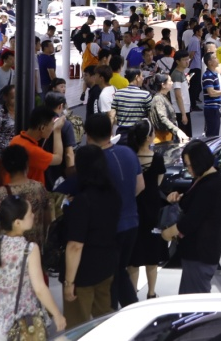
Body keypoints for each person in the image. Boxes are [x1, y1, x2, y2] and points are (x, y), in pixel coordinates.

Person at [0, 194, 66, 341]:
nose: (33, 215)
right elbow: (39, 288)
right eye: (29, 213)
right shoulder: (29, 249)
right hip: (23, 322)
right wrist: (57, 314)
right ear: (17, 223)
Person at [82, 113, 142, 307]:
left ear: (88, 135)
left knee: (111, 275)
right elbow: (140, 186)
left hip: (109, 228)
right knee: (119, 271)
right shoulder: (128, 153)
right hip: (132, 222)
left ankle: (119, 313)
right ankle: (130, 310)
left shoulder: (94, 161)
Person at [63, 144, 121, 326]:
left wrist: (69, 282)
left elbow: (75, 246)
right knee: (104, 321)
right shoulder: (113, 194)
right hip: (107, 266)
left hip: (83, 272)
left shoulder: (82, 201)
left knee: (77, 326)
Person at [161, 139, 221, 294]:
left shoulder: (210, 186)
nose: (187, 169)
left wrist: (168, 233)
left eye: (189, 165)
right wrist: (179, 197)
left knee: (193, 302)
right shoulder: (205, 178)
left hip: (200, 253)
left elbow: (191, 220)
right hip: (199, 252)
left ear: (199, 162)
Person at [125, 121, 166, 300]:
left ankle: (132, 295)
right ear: (149, 137)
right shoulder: (157, 158)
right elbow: (158, 182)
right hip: (152, 207)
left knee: (133, 256)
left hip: (133, 206)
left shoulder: (130, 157)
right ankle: (151, 293)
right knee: (152, 253)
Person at [0, 145, 50, 248]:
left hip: (7, 252)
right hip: (34, 250)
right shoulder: (39, 188)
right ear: (26, 164)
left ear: (5, 167)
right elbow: (47, 221)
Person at [110, 68, 152, 134]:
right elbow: (151, 116)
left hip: (121, 132)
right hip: (138, 134)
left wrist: (110, 133)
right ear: (137, 77)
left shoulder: (118, 93)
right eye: (142, 76)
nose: (143, 78)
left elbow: (112, 115)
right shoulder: (145, 95)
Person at [202, 53, 221, 139]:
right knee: (212, 135)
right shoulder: (208, 75)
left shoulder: (213, 74)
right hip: (211, 109)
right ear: (210, 62)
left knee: (215, 133)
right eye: (215, 58)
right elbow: (211, 92)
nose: (217, 59)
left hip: (215, 109)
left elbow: (214, 91)